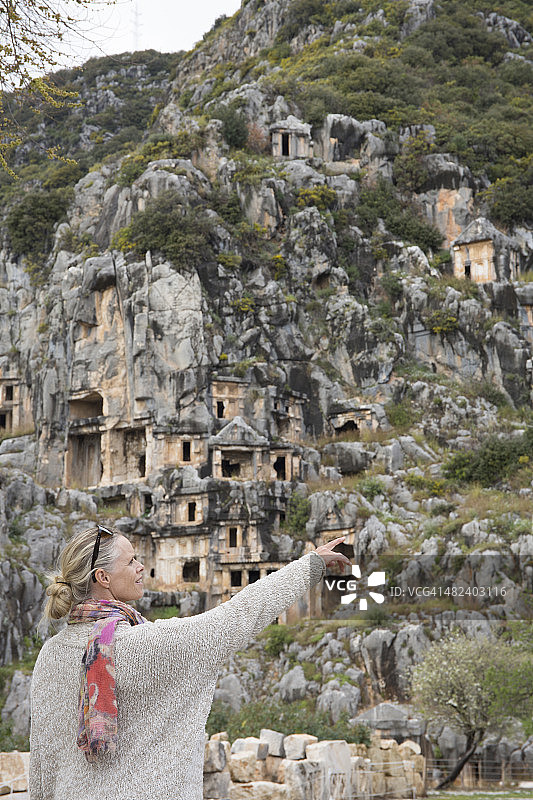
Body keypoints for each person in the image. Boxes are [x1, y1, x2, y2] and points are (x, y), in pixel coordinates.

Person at [30, 524, 351, 800]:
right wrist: (310, 567)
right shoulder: (146, 647)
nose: (142, 566)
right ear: (103, 577)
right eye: (131, 562)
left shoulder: (49, 656)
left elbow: (41, 770)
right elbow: (238, 616)